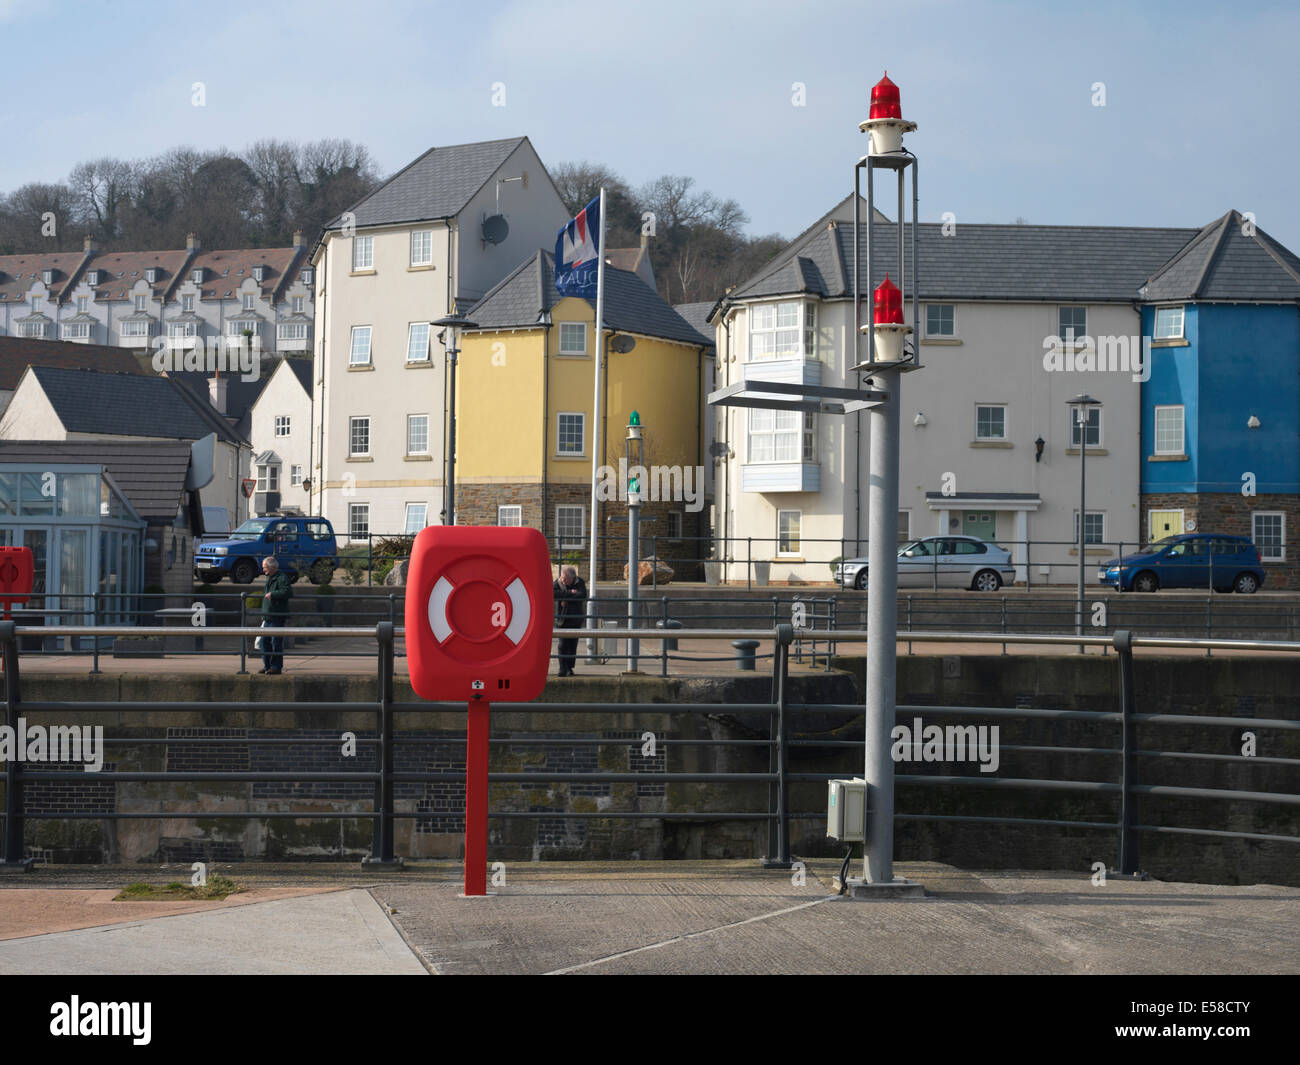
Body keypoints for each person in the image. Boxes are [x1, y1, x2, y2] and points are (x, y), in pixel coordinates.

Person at [259, 555, 293, 675]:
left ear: (272, 567)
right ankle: (267, 665)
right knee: (264, 642)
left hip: (276, 616)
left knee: (276, 642)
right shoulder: (271, 577)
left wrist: (273, 594)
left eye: (265, 568)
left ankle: (276, 667)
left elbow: (287, 591)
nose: (263, 570)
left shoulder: (281, 578)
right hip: (268, 616)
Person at [553, 564, 588, 677]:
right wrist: (570, 594)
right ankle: (562, 668)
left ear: (572, 578)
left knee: (572, 645)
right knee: (562, 645)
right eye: (562, 577)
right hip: (562, 619)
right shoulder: (557, 583)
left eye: (565, 578)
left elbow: (582, 595)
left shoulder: (580, 582)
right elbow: (553, 593)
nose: (562, 580)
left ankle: (569, 668)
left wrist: (565, 599)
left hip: (575, 618)